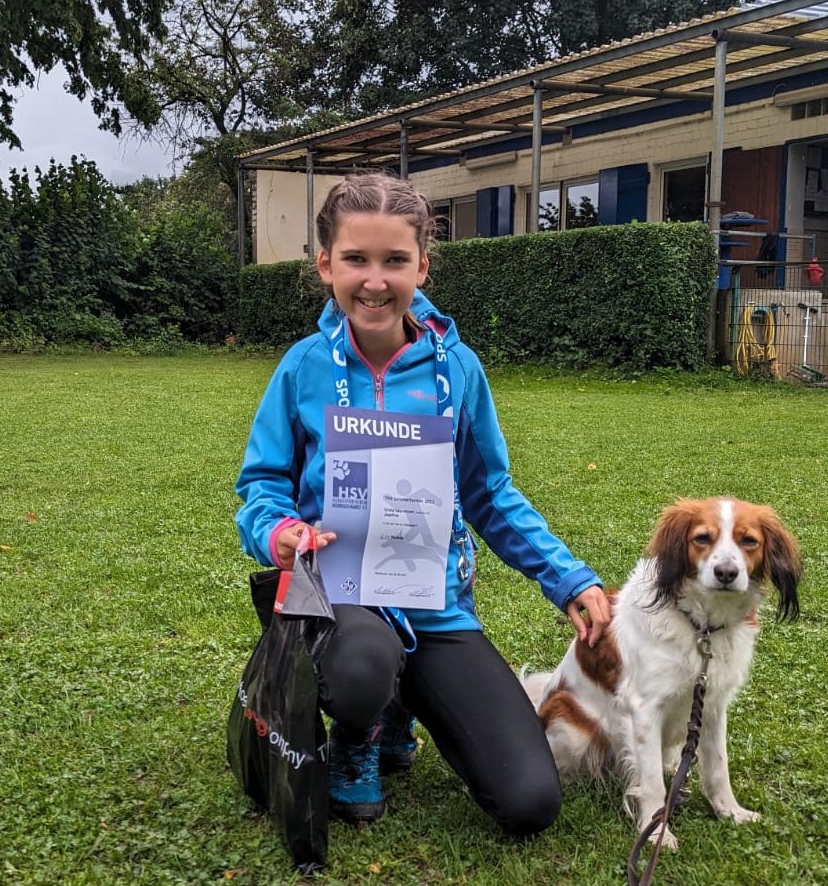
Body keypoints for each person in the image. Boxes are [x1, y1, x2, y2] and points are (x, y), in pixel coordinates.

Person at [234, 172, 611, 837]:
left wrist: (568, 578)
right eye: (356, 259)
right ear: (325, 264)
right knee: (362, 665)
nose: (374, 281)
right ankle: (358, 734)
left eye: (394, 260)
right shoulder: (302, 368)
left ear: (422, 267)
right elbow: (261, 487)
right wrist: (280, 533)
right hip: (341, 599)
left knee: (529, 801)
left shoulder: (457, 370)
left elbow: (491, 493)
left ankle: (399, 709)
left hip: (435, 604)